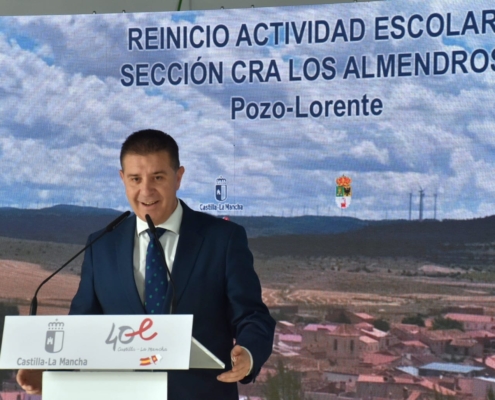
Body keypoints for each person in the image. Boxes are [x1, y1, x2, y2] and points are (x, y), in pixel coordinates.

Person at [17, 129, 275, 399]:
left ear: (178, 177)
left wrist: (247, 353)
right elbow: (83, 330)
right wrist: (52, 373)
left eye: (158, 177)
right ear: (122, 179)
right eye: (135, 179)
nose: (146, 190)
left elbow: (252, 316)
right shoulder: (102, 245)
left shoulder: (222, 239)